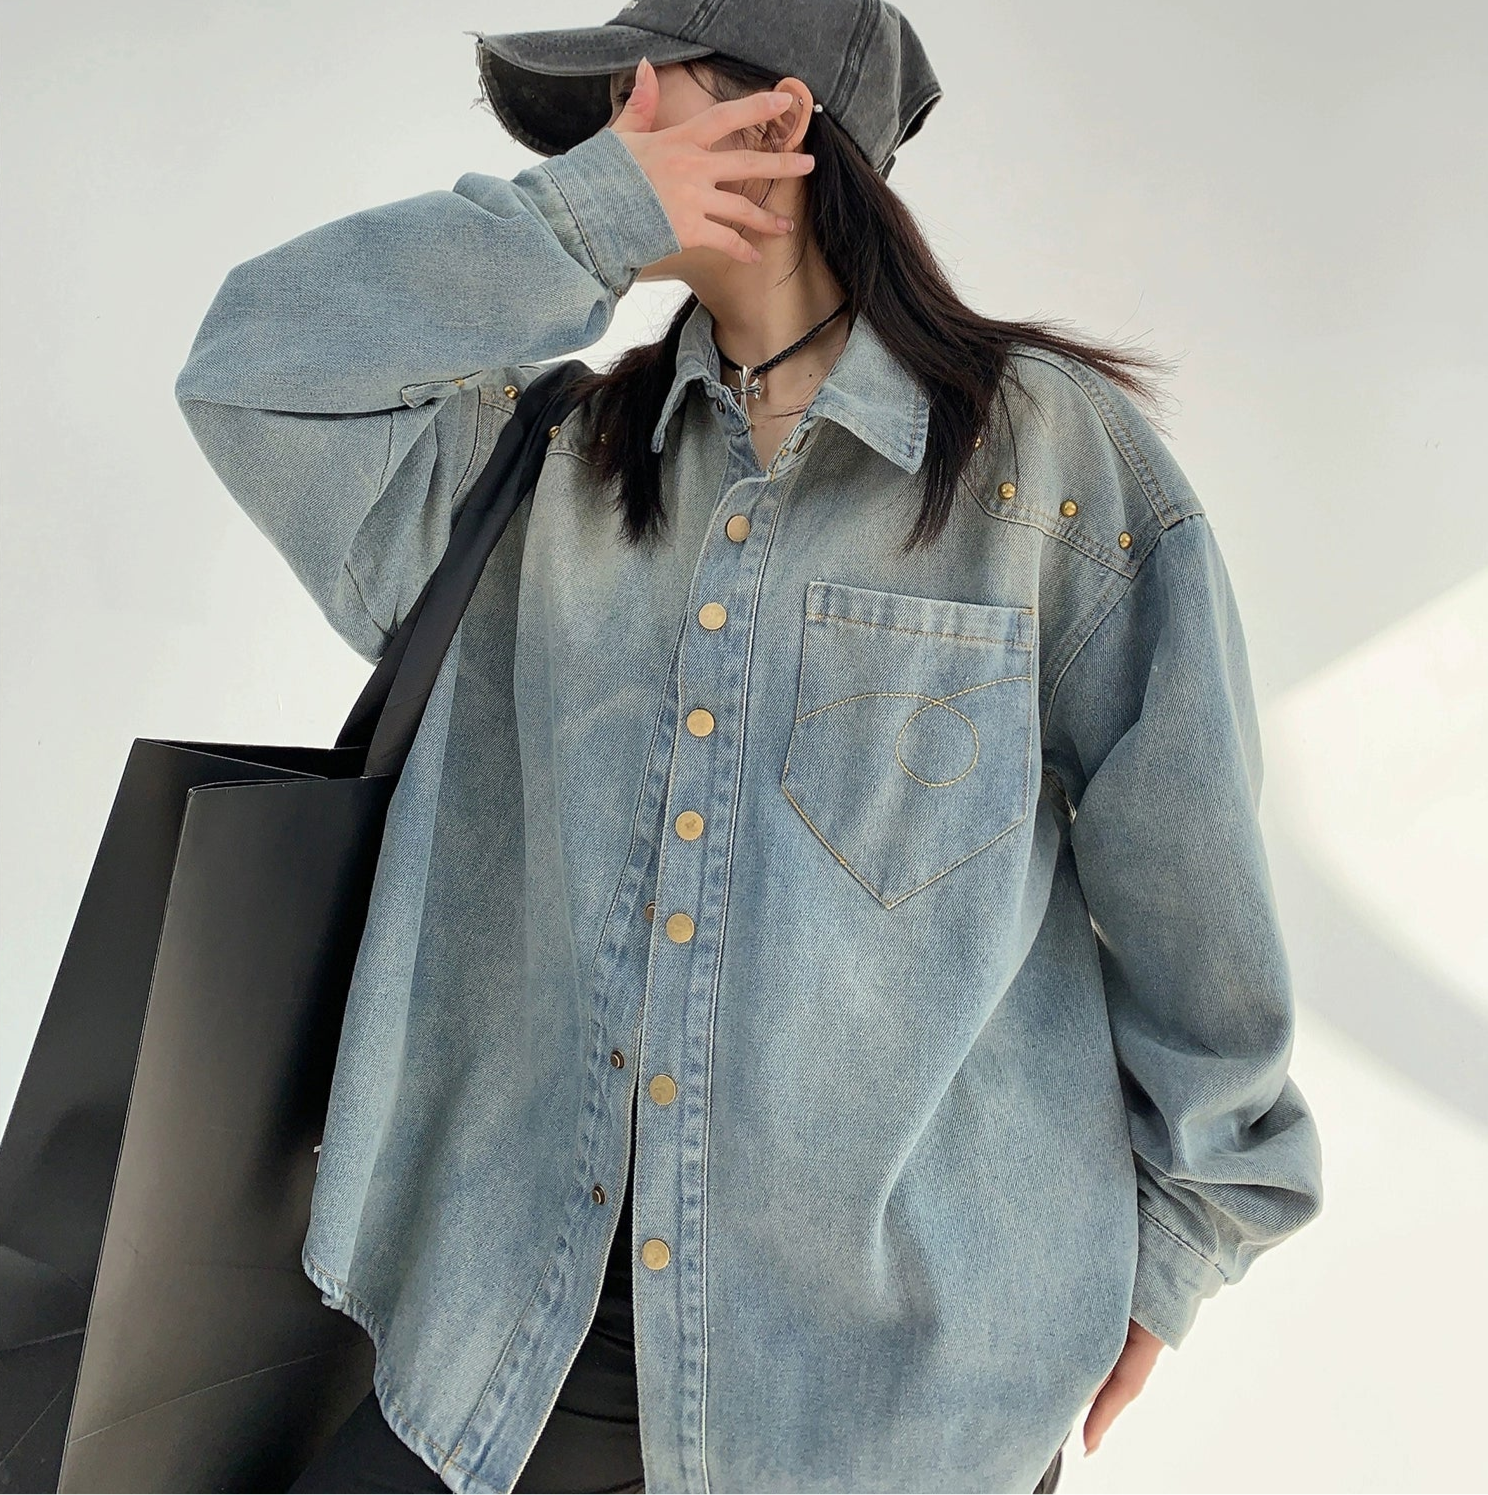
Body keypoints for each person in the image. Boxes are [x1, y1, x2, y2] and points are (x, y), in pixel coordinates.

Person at [172, 3, 1325, 1492]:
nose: (606, 133)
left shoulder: (1049, 467)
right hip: (512, 1335)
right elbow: (254, 368)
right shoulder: (552, 470)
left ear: (775, 126)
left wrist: (1175, 1253)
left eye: (633, 97)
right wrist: (587, 222)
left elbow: (1195, 904)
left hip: (893, 1403)